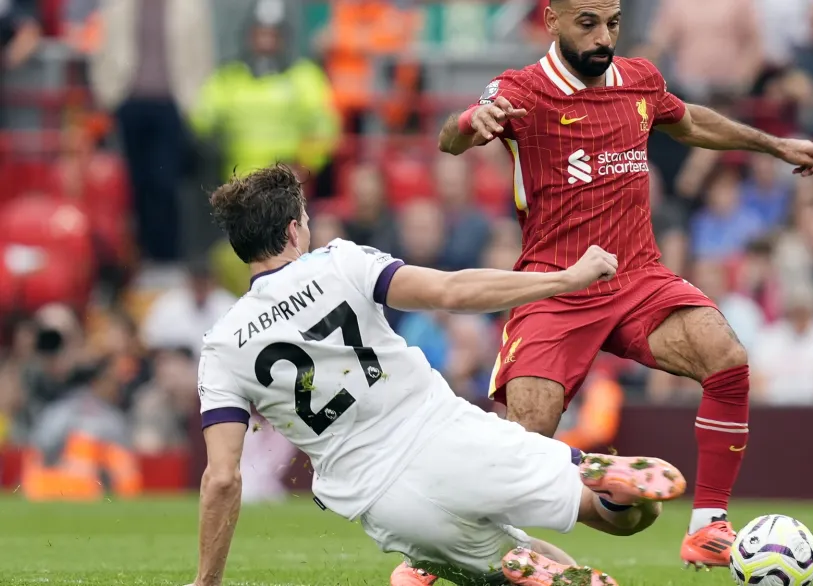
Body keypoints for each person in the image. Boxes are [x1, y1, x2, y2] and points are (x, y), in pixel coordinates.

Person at [436, 0, 813, 569]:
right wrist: (474, 121)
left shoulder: (640, 80)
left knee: (726, 356)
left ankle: (707, 527)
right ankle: (434, 555)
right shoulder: (522, 90)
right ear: (552, 21)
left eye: (613, 23)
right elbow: (450, 139)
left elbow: (690, 122)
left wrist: (774, 144)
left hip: (637, 275)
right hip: (556, 285)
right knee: (525, 440)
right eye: (588, 23)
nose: (603, 37)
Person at [186, 164, 689, 586]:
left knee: (504, 564)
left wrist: (206, 582)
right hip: (451, 436)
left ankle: (503, 565)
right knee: (621, 515)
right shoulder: (339, 263)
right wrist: (566, 279)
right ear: (295, 230)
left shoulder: (222, 345)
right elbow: (451, 292)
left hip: (381, 497)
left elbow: (223, 478)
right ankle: (603, 481)